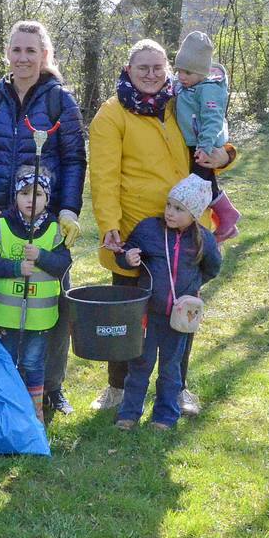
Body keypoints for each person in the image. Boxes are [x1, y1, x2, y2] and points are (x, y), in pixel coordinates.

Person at [89, 38, 234, 416]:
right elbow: (103, 177)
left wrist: (226, 155)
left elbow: (215, 138)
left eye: (158, 68)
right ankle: (118, 387)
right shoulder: (111, 114)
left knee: (183, 306)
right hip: (138, 229)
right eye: (143, 68)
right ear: (128, 70)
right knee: (127, 311)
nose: (151, 75)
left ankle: (178, 387)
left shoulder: (184, 99)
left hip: (187, 227)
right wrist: (109, 226)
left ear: (168, 69)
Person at [0, 20, 86, 421]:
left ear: (45, 56)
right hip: (0, 214)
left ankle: (51, 386)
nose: (23, 58)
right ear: (8, 54)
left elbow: (73, 158)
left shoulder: (59, 102)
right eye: (16, 50)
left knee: (51, 298)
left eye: (31, 51)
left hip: (46, 218)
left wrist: (67, 209)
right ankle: (2, 382)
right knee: (1, 294)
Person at [114, 175, 222, 430]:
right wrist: (127, 258)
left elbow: (213, 268)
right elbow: (124, 253)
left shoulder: (203, 239)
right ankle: (129, 413)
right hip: (148, 312)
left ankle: (165, 416)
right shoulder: (149, 229)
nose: (170, 213)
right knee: (140, 363)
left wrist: (191, 290)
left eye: (179, 209)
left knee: (171, 368)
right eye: (169, 206)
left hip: (180, 317)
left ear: (194, 214)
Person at [0, 165, 72, 423]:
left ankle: (34, 413)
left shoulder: (54, 230)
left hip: (39, 317)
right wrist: (14, 267)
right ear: (15, 196)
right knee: (6, 361)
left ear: (48, 198)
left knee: (32, 363)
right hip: (6, 315)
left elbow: (64, 265)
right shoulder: (1, 227)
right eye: (25, 194)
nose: (31, 200)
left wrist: (41, 256)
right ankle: (6, 410)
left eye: (38, 194)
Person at [173, 31, 240, 241]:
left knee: (201, 184)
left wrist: (204, 145)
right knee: (205, 183)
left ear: (202, 73)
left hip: (203, 143)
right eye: (179, 71)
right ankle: (226, 220)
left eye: (188, 73)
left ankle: (227, 217)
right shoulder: (189, 86)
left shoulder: (209, 90)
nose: (182, 77)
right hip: (196, 142)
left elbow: (213, 120)